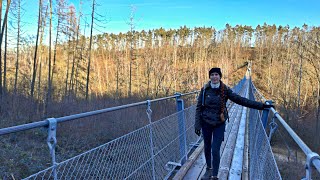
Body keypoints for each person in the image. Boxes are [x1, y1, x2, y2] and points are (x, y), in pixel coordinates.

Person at [194, 67, 274, 180]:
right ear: (210, 77)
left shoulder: (225, 90)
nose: (214, 76)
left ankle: (214, 175)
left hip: (219, 123)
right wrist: (197, 124)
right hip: (206, 122)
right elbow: (198, 108)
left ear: (220, 76)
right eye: (212, 74)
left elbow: (240, 100)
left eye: (216, 74)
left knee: (215, 149)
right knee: (207, 147)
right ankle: (208, 169)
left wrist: (261, 106)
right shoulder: (204, 90)